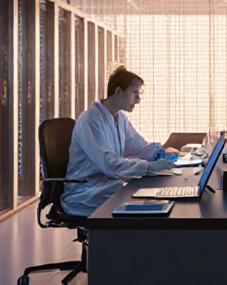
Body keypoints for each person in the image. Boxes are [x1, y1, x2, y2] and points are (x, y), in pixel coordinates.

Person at [61, 66, 178, 216]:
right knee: (143, 206)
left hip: (107, 187)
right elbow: (108, 163)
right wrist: (148, 166)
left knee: (149, 200)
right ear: (118, 92)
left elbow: (138, 146)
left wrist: (161, 152)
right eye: (134, 93)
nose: (138, 100)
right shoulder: (90, 120)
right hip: (85, 194)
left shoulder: (120, 118)